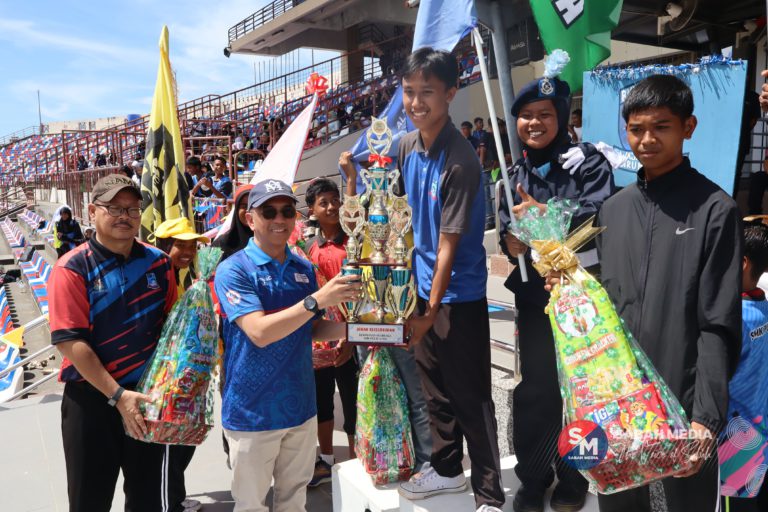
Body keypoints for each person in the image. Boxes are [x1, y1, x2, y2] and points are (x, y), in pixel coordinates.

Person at [564, 74, 742, 511]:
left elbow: (717, 323)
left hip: (683, 403)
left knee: (685, 504)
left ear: (688, 127)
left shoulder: (715, 209)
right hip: (618, 403)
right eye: (636, 129)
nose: (646, 139)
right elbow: (602, 304)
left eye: (661, 127)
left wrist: (705, 419)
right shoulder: (613, 209)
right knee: (620, 503)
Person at [394, 47, 504, 512]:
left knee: (471, 396)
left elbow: (447, 247)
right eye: (409, 92)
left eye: (428, 93)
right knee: (434, 390)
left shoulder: (459, 161)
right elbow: (395, 218)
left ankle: (490, 495)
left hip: (457, 297)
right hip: (421, 290)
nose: (417, 102)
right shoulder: (405, 145)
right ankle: (444, 472)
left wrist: (430, 312)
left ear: (452, 94)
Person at [500, 70, 615, 512]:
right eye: (525, 116)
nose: (533, 124)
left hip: (583, 295)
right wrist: (511, 245)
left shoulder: (587, 161)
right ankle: (534, 475)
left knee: (582, 388)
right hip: (534, 299)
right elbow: (509, 237)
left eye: (543, 115)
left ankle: (575, 476)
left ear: (561, 117)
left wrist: (546, 216)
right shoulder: (512, 173)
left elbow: (599, 216)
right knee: (539, 389)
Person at [213, 179, 362, 512]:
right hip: (252, 413)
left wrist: (360, 329)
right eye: (268, 211)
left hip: (301, 408)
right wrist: (317, 299)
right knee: (251, 505)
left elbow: (310, 329)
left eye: (286, 211)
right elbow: (259, 332)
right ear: (249, 219)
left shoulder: (302, 269)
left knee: (294, 501)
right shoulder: (233, 269)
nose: (279, 219)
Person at [48, 174, 178, 511]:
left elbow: (172, 329)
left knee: (150, 499)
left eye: (133, 209)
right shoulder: (72, 268)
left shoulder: (160, 264)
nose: (125, 216)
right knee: (89, 500)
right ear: (92, 211)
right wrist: (118, 396)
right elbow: (69, 342)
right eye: (114, 208)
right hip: (90, 402)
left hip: (147, 398)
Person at [302, 178, 359, 487]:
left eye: (334, 199)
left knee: (351, 399)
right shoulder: (307, 249)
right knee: (322, 400)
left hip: (351, 334)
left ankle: (355, 460)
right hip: (321, 336)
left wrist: (350, 337)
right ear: (312, 209)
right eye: (323, 202)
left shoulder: (354, 241)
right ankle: (325, 460)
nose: (331, 206)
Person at [154, 217, 211, 512]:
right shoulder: (160, 277)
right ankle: (170, 503)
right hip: (167, 377)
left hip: (186, 373)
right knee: (171, 446)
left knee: (183, 440)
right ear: (164, 246)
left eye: (192, 246)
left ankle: (175, 495)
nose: (188, 251)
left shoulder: (185, 278)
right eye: (180, 245)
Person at [719, 221, 768, 512]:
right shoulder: (762, 308)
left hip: (736, 438)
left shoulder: (734, 319)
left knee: (735, 504)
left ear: (743, 262)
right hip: (760, 425)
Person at [212, 184, 255, 262]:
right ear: (236, 209)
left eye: (253, 206)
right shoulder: (222, 243)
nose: (248, 211)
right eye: (244, 206)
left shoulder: (270, 242)